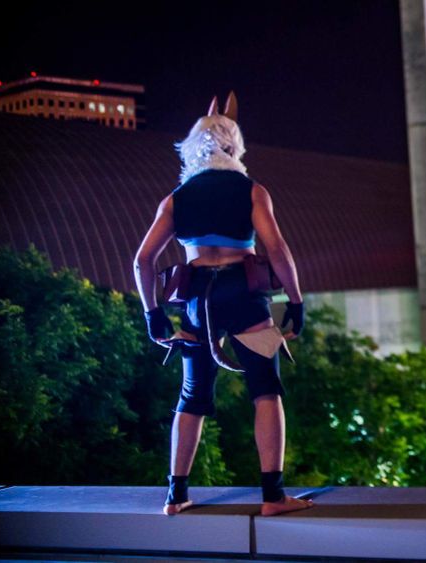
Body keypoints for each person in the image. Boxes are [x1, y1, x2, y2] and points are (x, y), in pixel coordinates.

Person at [133, 93, 312, 517]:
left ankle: (176, 496)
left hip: (196, 297)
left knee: (191, 397)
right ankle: (273, 497)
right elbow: (278, 250)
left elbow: (142, 260)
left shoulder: (176, 199)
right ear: (236, 147)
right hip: (243, 293)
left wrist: (152, 314)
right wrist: (296, 301)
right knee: (265, 391)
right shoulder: (252, 191)